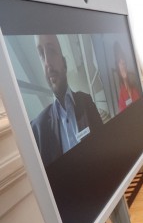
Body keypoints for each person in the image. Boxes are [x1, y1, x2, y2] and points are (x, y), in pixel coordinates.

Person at [29, 34, 103, 167]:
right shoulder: (37, 128)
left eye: (51, 51)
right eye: (41, 54)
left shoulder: (86, 101)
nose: (47, 63)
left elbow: (105, 145)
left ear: (64, 64)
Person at [115, 42, 141, 112]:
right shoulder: (122, 95)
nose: (123, 63)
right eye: (120, 62)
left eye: (123, 60)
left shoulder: (135, 83)